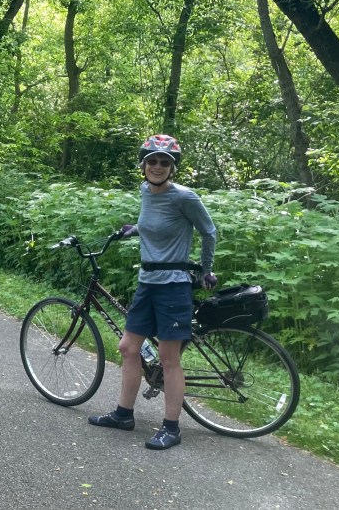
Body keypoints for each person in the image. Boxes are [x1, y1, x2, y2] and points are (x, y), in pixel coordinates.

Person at [88, 134, 218, 450]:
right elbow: (155, 224)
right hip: (147, 282)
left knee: (168, 358)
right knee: (128, 348)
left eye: (164, 162)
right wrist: (135, 229)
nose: (157, 166)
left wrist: (206, 269)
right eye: (152, 161)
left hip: (173, 286)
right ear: (143, 165)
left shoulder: (185, 197)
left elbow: (209, 231)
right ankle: (123, 415)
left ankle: (171, 428)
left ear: (172, 168)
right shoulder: (146, 191)